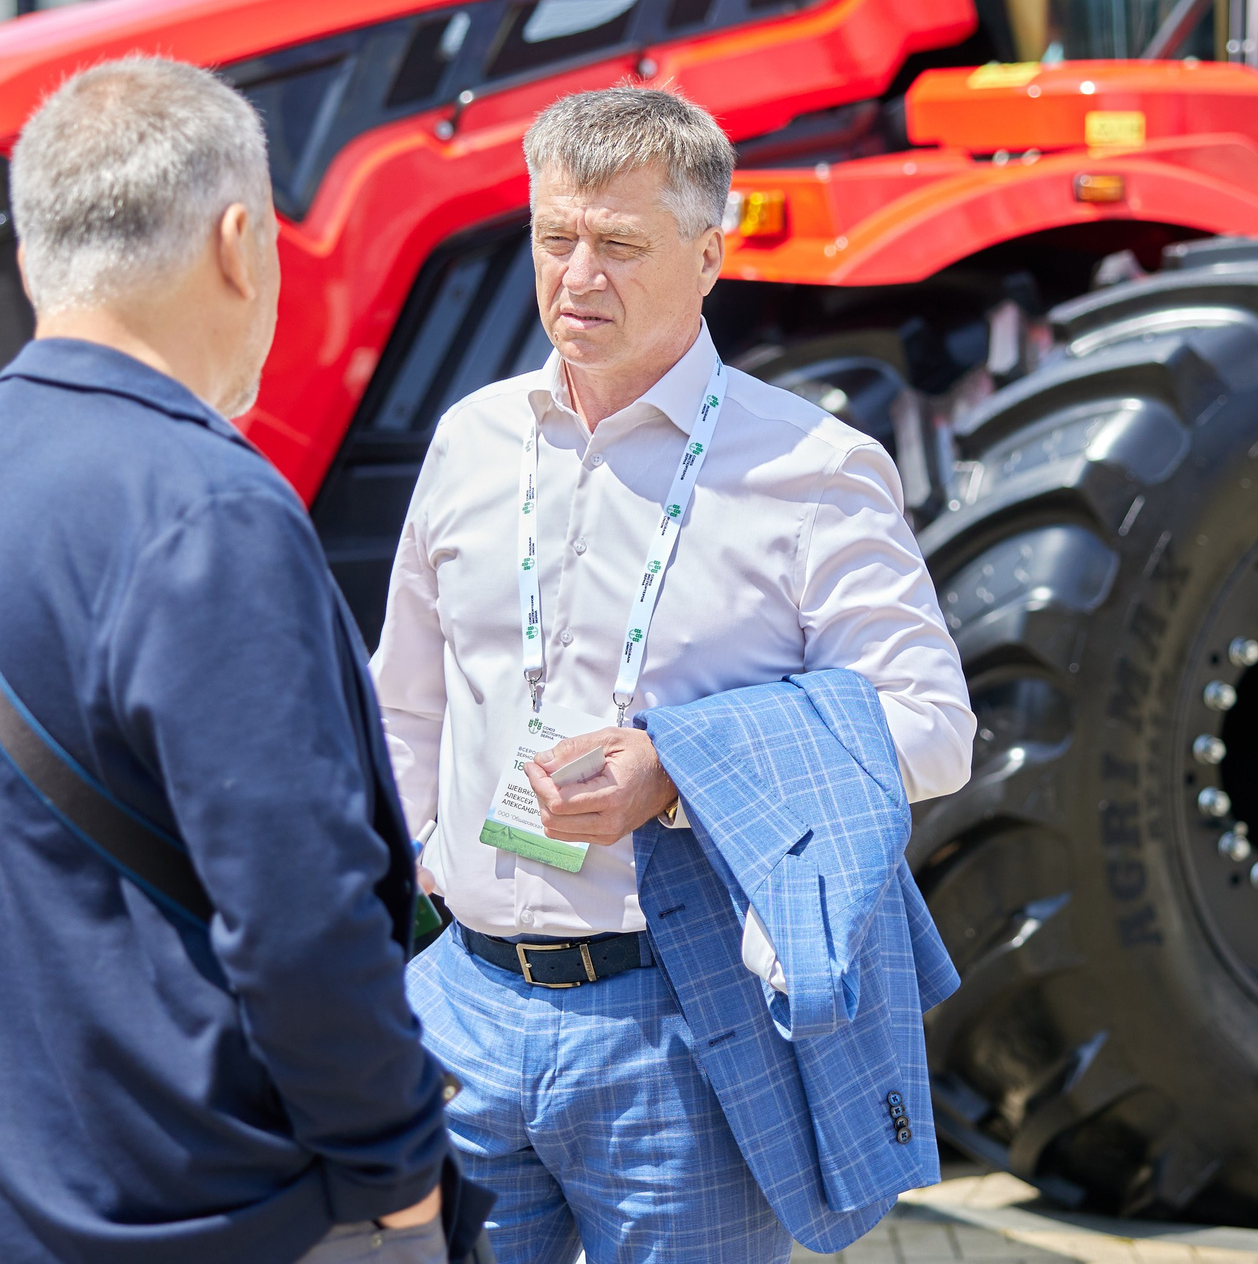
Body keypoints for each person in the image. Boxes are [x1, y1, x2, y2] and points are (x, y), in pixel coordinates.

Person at [0, 58, 454, 1263]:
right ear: (238, 243)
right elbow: (302, 918)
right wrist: (401, 1176)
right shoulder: (209, 511)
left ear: (30, 259)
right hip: (211, 1221)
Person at [375, 83, 976, 1264]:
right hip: (464, 1012)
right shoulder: (470, 440)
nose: (577, 276)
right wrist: (412, 896)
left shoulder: (813, 467)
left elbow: (932, 729)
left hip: (679, 1028)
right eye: (556, 238)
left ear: (709, 254)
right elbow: (405, 698)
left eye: (620, 245)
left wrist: (678, 772)